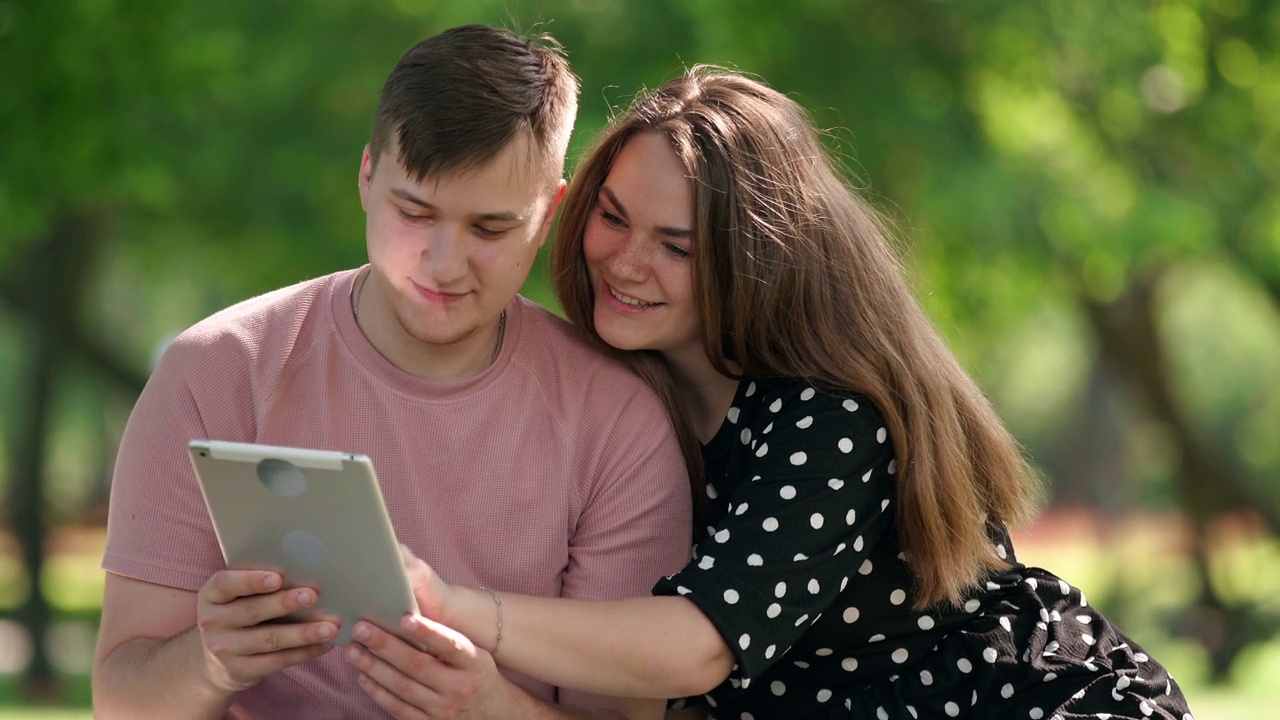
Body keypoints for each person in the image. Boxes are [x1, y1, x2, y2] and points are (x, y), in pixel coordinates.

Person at [357, 66, 1195, 719]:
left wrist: (457, 608)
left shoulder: (828, 417)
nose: (623, 261)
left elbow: (699, 644)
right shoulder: (609, 389)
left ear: (756, 257)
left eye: (677, 247)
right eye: (613, 218)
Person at [91, 25, 694, 720]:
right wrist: (208, 659)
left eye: (490, 229)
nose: (443, 263)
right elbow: (121, 701)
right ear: (368, 176)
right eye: (416, 211)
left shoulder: (618, 424)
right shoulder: (216, 372)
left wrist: (494, 708)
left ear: (548, 217)